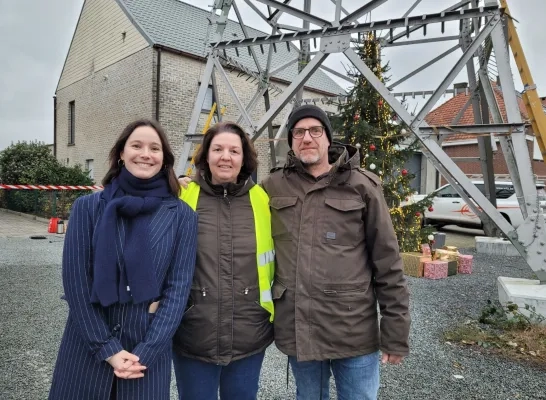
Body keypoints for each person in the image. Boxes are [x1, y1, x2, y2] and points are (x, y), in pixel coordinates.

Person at [261, 104, 410, 400]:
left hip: (352, 329)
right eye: (299, 132)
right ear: (291, 140)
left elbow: (388, 261)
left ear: (328, 138)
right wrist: (189, 185)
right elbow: (237, 207)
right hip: (299, 326)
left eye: (315, 131)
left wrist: (395, 332)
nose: (307, 138)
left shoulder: (361, 186)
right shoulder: (273, 186)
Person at [49, 119, 198, 400]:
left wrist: (147, 351)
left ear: (164, 159)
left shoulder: (182, 216)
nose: (145, 153)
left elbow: (177, 291)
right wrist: (107, 349)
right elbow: (76, 285)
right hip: (86, 352)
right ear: (121, 153)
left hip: (144, 359)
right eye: (137, 145)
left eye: (155, 148)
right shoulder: (87, 208)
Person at [173, 121, 275, 400]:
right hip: (193, 331)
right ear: (206, 155)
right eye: (217, 149)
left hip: (249, 332)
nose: (225, 157)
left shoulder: (263, 199)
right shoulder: (182, 195)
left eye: (234, 150)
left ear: (244, 158)